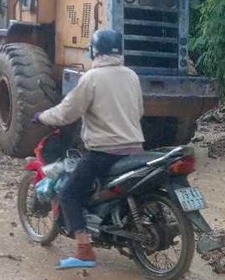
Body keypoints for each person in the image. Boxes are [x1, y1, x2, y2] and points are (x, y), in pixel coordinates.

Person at [35, 29, 145, 270]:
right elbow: (139, 111)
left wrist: (42, 116)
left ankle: (84, 251)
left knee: (69, 193)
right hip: (135, 149)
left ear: (95, 51)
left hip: (104, 152)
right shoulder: (131, 75)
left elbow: (67, 112)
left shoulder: (92, 78)